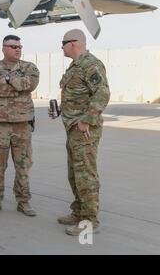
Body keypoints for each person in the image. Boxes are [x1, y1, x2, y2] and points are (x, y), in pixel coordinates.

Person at [49, 29, 110, 236]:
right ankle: (78, 212)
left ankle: (90, 221)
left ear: (73, 43)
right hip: (72, 128)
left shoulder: (89, 64)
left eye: (63, 43)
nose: (61, 48)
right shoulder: (75, 66)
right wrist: (59, 111)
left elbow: (102, 93)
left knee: (86, 174)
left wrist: (86, 121)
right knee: (74, 173)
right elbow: (78, 96)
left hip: (84, 130)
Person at [0, 35, 39, 216]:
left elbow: (29, 85)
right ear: (3, 48)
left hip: (22, 125)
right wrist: (16, 85)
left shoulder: (29, 67)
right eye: (13, 46)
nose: (18, 49)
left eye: (20, 46)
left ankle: (24, 202)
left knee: (23, 166)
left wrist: (7, 80)